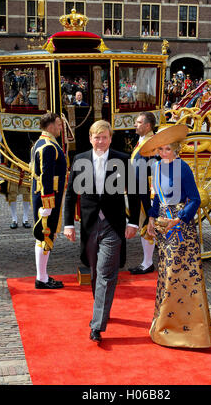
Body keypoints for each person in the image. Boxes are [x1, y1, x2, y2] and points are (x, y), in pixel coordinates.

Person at [64, 120, 140, 342]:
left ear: (110, 138)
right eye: (97, 137)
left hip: (113, 225)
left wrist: (133, 222)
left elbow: (134, 194)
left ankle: (97, 324)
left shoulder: (123, 160)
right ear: (90, 139)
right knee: (95, 271)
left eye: (104, 137)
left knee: (106, 274)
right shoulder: (80, 160)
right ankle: (102, 308)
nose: (100, 141)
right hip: (89, 225)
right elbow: (70, 196)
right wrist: (68, 225)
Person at [141, 125, 211, 348]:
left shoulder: (183, 168)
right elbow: (156, 198)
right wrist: (151, 219)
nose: (161, 153)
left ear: (175, 149)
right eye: (160, 149)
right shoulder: (156, 167)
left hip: (180, 228)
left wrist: (180, 218)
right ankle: (164, 324)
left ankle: (191, 330)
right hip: (164, 227)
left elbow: (195, 199)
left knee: (180, 274)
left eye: (165, 149)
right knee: (165, 273)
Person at [30, 112, 67, 289]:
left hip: (46, 195)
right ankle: (42, 278)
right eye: (59, 124)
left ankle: (42, 275)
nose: (61, 128)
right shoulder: (48, 146)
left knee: (45, 235)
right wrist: (47, 204)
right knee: (45, 235)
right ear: (51, 126)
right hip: (48, 197)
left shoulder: (42, 142)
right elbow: (46, 176)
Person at [129, 112, 156, 275]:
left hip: (145, 191)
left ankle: (148, 262)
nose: (135, 125)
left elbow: (153, 171)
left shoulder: (151, 144)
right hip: (138, 189)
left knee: (147, 224)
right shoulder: (144, 141)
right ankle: (147, 261)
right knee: (142, 223)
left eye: (138, 122)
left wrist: (152, 195)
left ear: (147, 126)